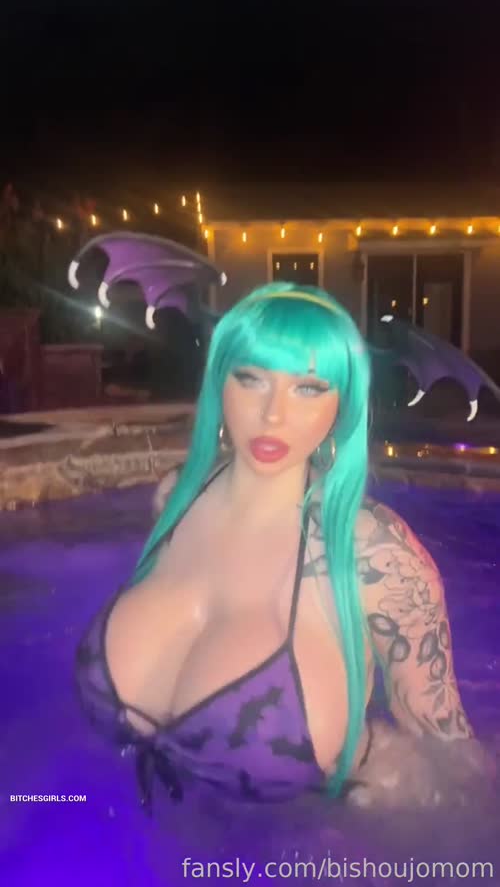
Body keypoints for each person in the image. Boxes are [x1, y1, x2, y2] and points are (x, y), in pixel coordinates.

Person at [75, 283, 492, 879]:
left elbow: (455, 764)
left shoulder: (375, 553)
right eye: (251, 379)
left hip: (316, 851)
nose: (273, 414)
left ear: (343, 404)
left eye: (308, 388)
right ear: (218, 382)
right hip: (141, 846)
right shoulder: (175, 500)